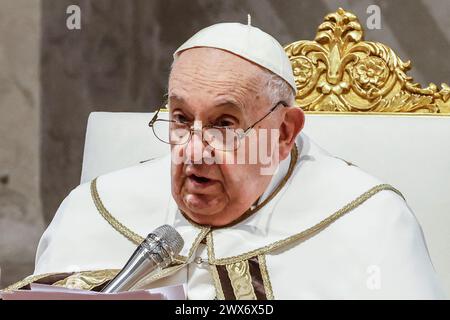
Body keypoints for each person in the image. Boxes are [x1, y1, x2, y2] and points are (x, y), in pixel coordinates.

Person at [4, 22, 446, 299]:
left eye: (224, 124)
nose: (193, 150)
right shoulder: (97, 207)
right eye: (180, 118)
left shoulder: (368, 222)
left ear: (285, 132)